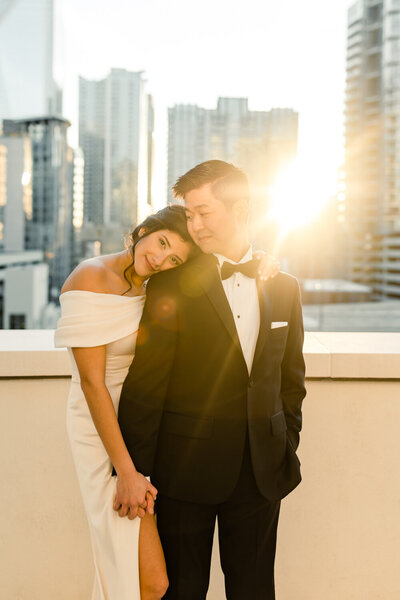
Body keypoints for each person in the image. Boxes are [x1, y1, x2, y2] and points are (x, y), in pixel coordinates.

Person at [54, 204, 279, 600]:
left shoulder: (158, 283)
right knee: (149, 578)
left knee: (140, 573)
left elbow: (217, 281)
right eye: (160, 242)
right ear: (142, 229)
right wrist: (126, 470)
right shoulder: (89, 276)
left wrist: (259, 259)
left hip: (143, 429)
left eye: (174, 257)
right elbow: (91, 383)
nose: (159, 258)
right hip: (103, 430)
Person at [118, 161, 306, 600]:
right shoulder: (171, 283)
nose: (195, 225)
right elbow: (147, 385)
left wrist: (285, 441)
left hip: (261, 471)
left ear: (240, 209)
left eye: (204, 212)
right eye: (188, 214)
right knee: (181, 592)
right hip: (183, 474)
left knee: (256, 590)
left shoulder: (284, 286)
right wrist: (135, 473)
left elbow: (291, 380)